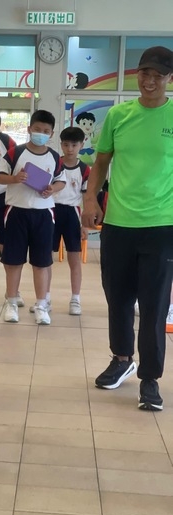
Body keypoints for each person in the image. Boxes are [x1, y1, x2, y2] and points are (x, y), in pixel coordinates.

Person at [82, 46, 173, 412]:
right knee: (117, 297)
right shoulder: (119, 115)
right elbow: (101, 163)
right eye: (144, 73)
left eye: (157, 75)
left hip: (162, 225)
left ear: (169, 78)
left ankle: (150, 378)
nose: (149, 81)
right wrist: (90, 199)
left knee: (153, 304)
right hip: (118, 223)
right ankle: (122, 359)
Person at [0, 109, 66, 325]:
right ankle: (11, 302)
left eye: (45, 131)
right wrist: (15, 179)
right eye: (37, 129)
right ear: (29, 129)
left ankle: (42, 305)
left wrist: (52, 189)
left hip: (44, 214)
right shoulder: (15, 153)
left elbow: (61, 180)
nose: (40, 134)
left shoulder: (55, 157)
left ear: (51, 134)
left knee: (42, 262)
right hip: (16, 211)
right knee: (13, 261)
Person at [48, 126, 90, 315]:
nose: (70, 149)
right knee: (46, 258)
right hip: (52, 212)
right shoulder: (54, 163)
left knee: (74, 259)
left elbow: (87, 197)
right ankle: (45, 298)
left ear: (82, 144)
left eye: (74, 145)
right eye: (66, 145)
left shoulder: (85, 169)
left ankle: (75, 299)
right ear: (61, 144)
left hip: (72, 214)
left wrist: (85, 225)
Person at [0, 120, 22, 307]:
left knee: (4, 244)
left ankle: (13, 290)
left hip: (2, 198)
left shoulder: (7, 142)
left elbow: (15, 168)